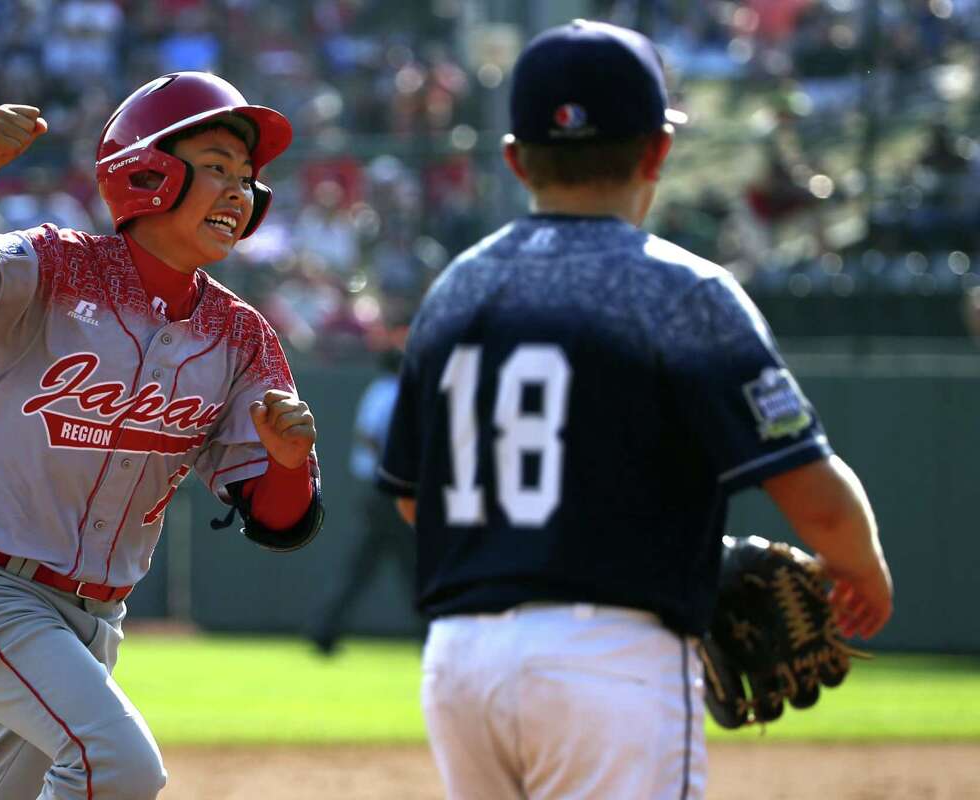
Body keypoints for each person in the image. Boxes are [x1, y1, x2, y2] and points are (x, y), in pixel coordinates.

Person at [377, 21, 892, 800]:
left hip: (459, 664)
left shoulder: (456, 289)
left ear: (515, 159)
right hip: (610, 664)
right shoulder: (684, 291)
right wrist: (863, 570)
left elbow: (419, 501)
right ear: (658, 151)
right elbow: (814, 500)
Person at [0, 72, 324, 799]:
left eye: (247, 178)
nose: (238, 191)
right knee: (116, 765)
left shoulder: (241, 337)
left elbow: (281, 519)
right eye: (217, 167)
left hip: (95, 624)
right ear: (149, 171)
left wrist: (287, 463)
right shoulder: (55, 267)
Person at [306, 342, 418, 655]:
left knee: (361, 568)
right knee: (412, 565)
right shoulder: (390, 391)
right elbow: (370, 436)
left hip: (378, 491)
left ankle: (323, 631)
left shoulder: (381, 389)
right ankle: (430, 635)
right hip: (388, 490)